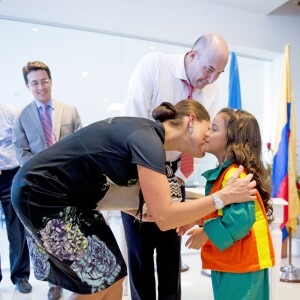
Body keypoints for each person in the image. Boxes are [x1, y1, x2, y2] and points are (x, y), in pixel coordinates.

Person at [11, 100, 257, 300]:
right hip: (42, 194)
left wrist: (140, 211)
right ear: (191, 121)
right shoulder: (148, 140)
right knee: (98, 278)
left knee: (115, 272)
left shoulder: (149, 137)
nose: (208, 137)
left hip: (71, 200)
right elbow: (164, 217)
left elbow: (110, 185)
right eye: (209, 128)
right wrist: (222, 197)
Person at [121, 33, 229, 299]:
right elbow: (132, 126)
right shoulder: (154, 67)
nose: (212, 78)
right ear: (193, 55)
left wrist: (179, 179)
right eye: (209, 69)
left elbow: (201, 139)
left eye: (219, 72)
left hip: (176, 175)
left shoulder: (211, 89)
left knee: (171, 257)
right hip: (139, 171)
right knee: (140, 257)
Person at [177, 108, 275, 300]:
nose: (207, 133)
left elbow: (239, 221)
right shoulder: (226, 173)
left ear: (232, 139)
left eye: (214, 129)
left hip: (243, 263)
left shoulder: (233, 175)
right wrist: (199, 222)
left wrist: (206, 232)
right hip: (235, 260)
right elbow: (222, 210)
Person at [12, 61, 82, 300]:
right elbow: (21, 151)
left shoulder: (70, 110)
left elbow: (80, 144)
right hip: (40, 187)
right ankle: (55, 283)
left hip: (69, 184)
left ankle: (77, 277)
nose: (41, 87)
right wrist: (41, 172)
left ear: (51, 81)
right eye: (34, 83)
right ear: (27, 86)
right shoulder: (22, 116)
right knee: (47, 237)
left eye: (44, 81)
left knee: (71, 233)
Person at [0, 103, 32, 294]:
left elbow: (23, 141)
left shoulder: (10, 113)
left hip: (11, 174)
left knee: (17, 229)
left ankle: (20, 276)